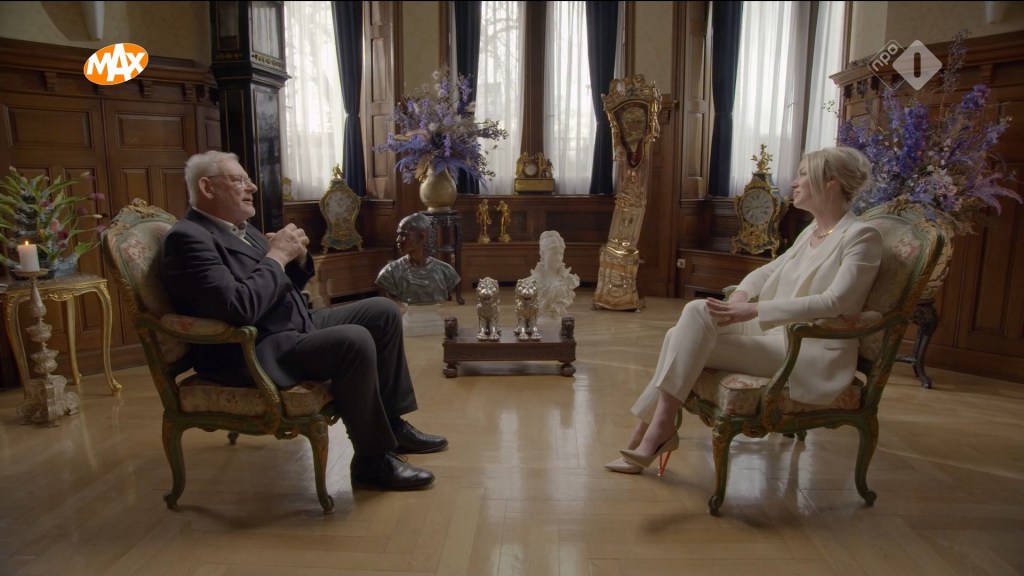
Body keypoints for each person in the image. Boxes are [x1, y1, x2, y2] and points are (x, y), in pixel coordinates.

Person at [161, 150, 447, 492]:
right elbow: (238, 307)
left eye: (248, 179)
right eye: (239, 180)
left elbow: (282, 283)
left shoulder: (241, 229)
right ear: (207, 187)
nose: (252, 186)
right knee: (353, 340)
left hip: (290, 326)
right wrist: (276, 256)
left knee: (381, 312)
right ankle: (371, 461)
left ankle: (392, 424)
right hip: (253, 350)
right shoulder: (188, 239)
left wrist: (295, 258)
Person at [605, 146, 882, 474]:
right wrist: (740, 298)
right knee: (697, 311)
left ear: (831, 181)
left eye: (803, 174)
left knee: (677, 338)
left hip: (809, 350)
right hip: (777, 334)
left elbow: (836, 302)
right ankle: (658, 429)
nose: (794, 182)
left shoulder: (861, 236)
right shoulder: (813, 230)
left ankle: (649, 432)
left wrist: (754, 311)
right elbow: (768, 271)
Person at [376, 213, 461, 305]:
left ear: (421, 236)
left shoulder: (446, 271)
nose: (398, 240)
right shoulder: (390, 272)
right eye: (398, 234)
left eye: (403, 235)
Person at [527, 230, 580, 319]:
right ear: (543, 254)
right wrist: (550, 294)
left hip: (557, 321)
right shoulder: (532, 282)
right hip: (541, 321)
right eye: (554, 254)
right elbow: (534, 307)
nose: (559, 258)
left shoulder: (568, 280)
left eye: (561, 254)